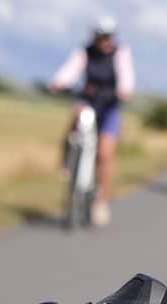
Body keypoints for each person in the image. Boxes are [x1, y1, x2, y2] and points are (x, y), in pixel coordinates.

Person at [47, 16, 136, 227]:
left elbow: (126, 75)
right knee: (76, 116)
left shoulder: (120, 53)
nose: (104, 41)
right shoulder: (85, 52)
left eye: (107, 37)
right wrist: (59, 82)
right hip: (89, 101)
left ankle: (100, 201)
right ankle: (68, 157)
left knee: (105, 155)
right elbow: (71, 69)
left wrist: (125, 90)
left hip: (109, 106)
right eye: (100, 37)